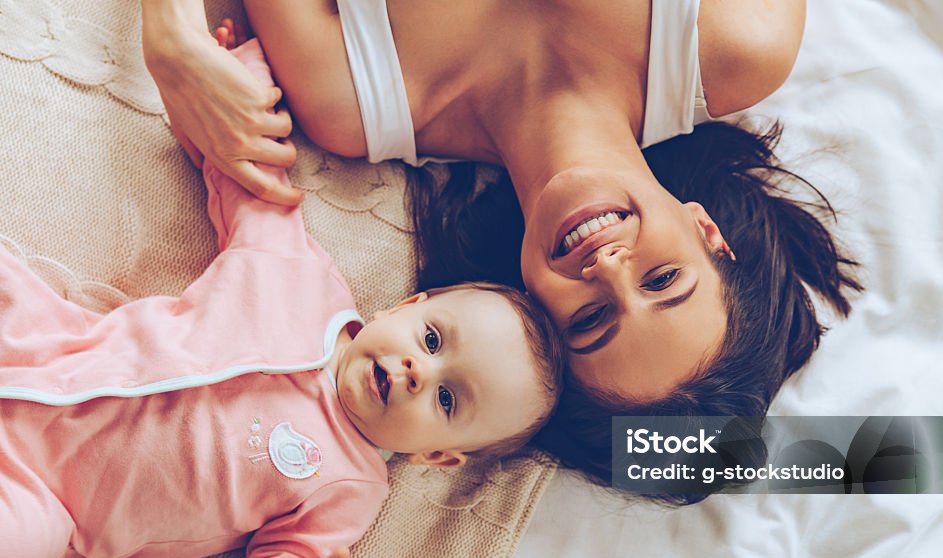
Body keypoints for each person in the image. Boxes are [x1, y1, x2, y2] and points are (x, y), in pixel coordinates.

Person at [140, 0, 861, 503]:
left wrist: (170, 34)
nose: (609, 267)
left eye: (590, 321)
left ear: (531, 318)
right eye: (664, 278)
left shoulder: (350, 98)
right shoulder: (735, 42)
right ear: (707, 231)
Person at [0, 40, 564, 558]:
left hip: (50, 498)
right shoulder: (300, 278)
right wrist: (241, 80)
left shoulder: (349, 487)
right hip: (50, 348)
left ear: (437, 456)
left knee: (17, 544)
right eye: (430, 339)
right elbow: (256, 187)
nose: (417, 371)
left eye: (447, 400)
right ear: (405, 306)